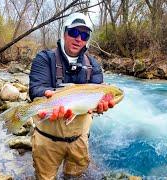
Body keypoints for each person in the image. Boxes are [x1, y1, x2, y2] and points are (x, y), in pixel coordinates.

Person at [29, 12, 114, 179]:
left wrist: (100, 107)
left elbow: (95, 100)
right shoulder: (44, 58)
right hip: (47, 140)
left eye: (84, 35)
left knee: (75, 176)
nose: (79, 39)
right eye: (74, 32)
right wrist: (45, 94)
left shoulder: (93, 65)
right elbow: (36, 89)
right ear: (65, 32)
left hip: (79, 140)